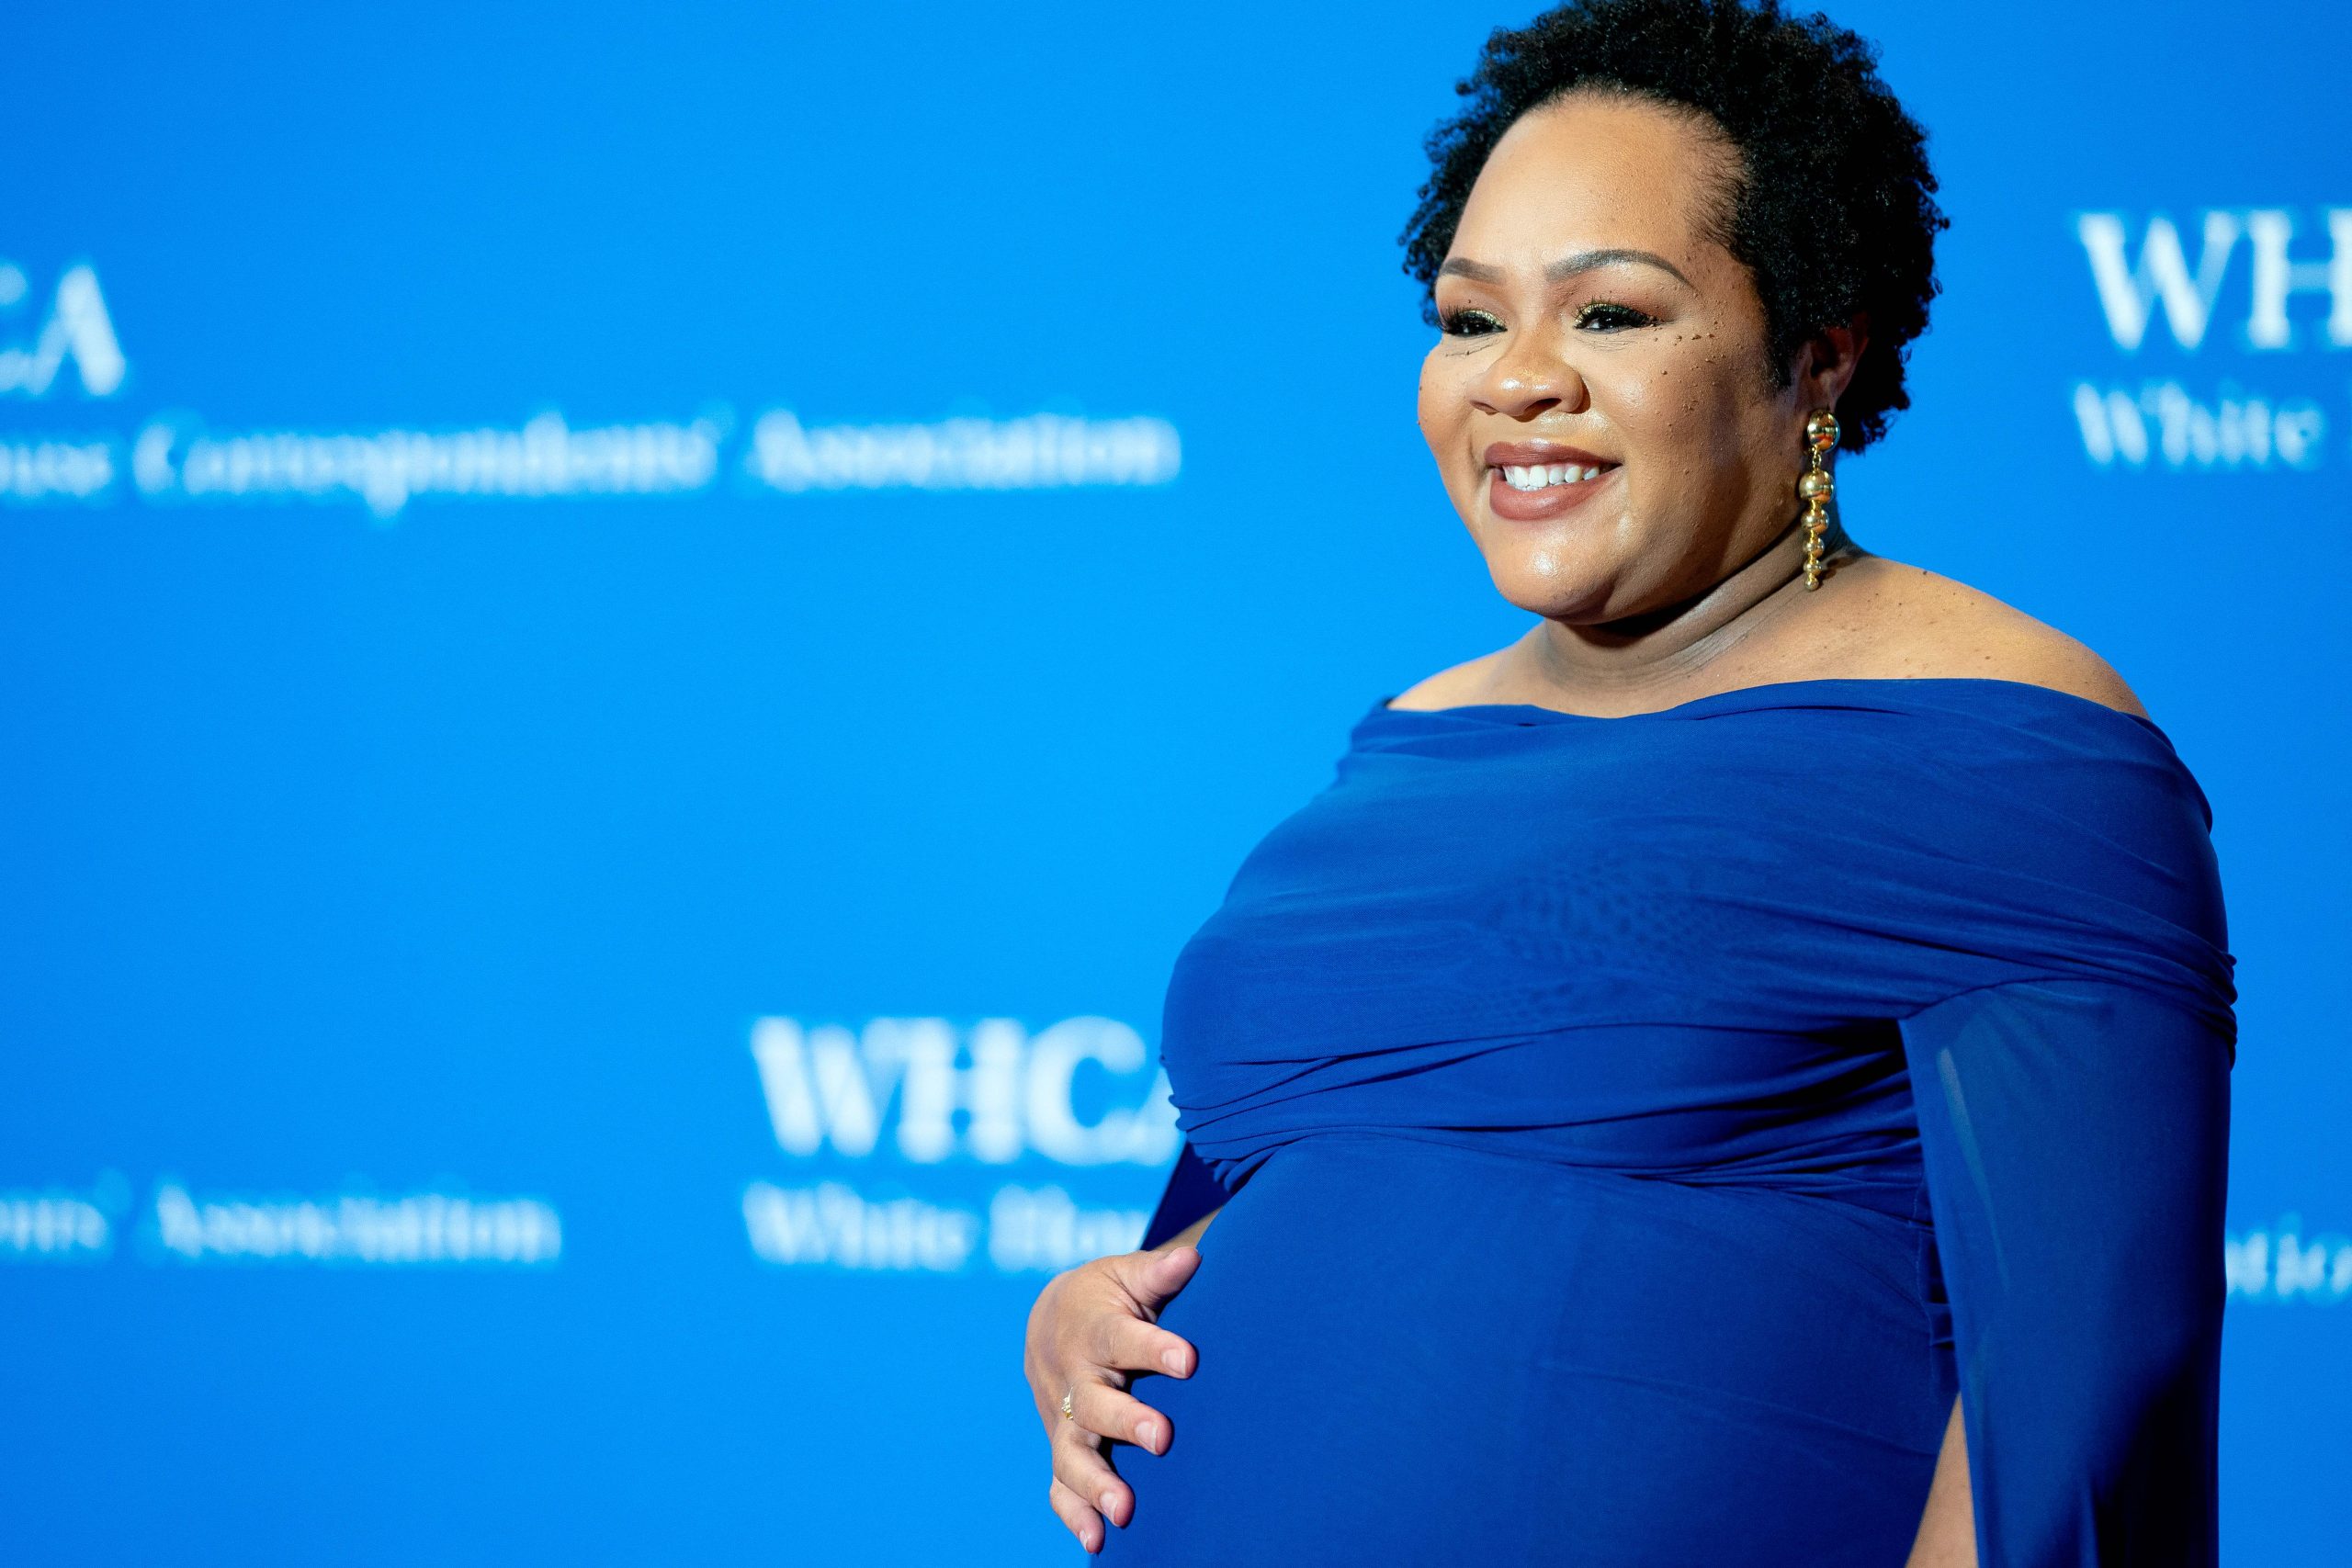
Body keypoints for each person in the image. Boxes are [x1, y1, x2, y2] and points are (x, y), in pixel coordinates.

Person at [1021, 1, 2235, 1562]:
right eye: (1471, 321)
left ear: (1818, 357)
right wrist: (1089, 1318)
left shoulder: (2007, 738)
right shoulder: (1405, 738)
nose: (1519, 380)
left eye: (1609, 314)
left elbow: (2075, 1423)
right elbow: (1275, 1209)